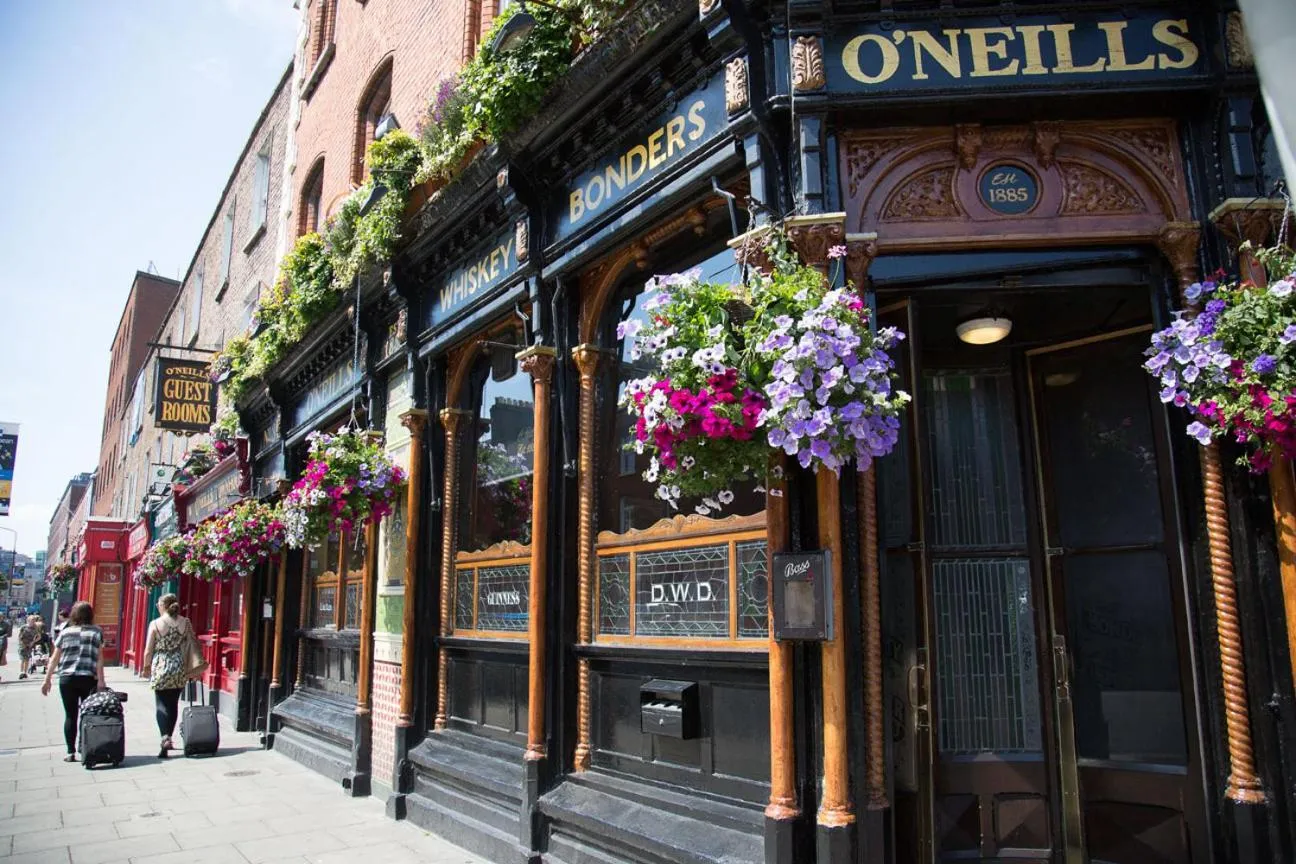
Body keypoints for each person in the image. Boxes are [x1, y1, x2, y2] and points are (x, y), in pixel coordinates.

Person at [40, 602, 105, 762]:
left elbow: (55, 658)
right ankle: (85, 747)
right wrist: (101, 680)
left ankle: (70, 751)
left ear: (74, 615)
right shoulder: (96, 632)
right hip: (88, 678)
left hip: (67, 678)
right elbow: (99, 659)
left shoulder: (65, 632)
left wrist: (46, 679)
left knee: (70, 715)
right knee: (87, 714)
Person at [141, 593, 194, 759]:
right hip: (178, 665)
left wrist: (146, 667)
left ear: (163, 606)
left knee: (161, 704)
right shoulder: (185, 622)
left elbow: (149, 649)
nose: (157, 606)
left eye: (158, 604)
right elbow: (191, 643)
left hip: (161, 665)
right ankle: (169, 738)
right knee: (173, 704)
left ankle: (164, 736)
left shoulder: (156, 624)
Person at [17, 615, 45, 680]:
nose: (33, 622)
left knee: (27, 659)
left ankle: (25, 672)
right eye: (31, 620)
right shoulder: (23, 627)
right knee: (22, 658)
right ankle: (21, 672)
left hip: (30, 644)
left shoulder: (36, 628)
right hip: (22, 644)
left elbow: (39, 636)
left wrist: (33, 642)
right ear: (28, 620)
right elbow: (19, 637)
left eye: (34, 620)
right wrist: (22, 644)